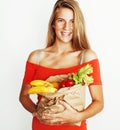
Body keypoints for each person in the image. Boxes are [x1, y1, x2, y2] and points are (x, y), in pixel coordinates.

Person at [19, 0, 104, 130]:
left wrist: (77, 117)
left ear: (78, 24)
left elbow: (99, 102)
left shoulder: (86, 57)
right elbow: (24, 96)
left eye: (72, 21)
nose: (66, 27)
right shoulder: (36, 57)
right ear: (53, 23)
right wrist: (37, 112)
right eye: (61, 21)